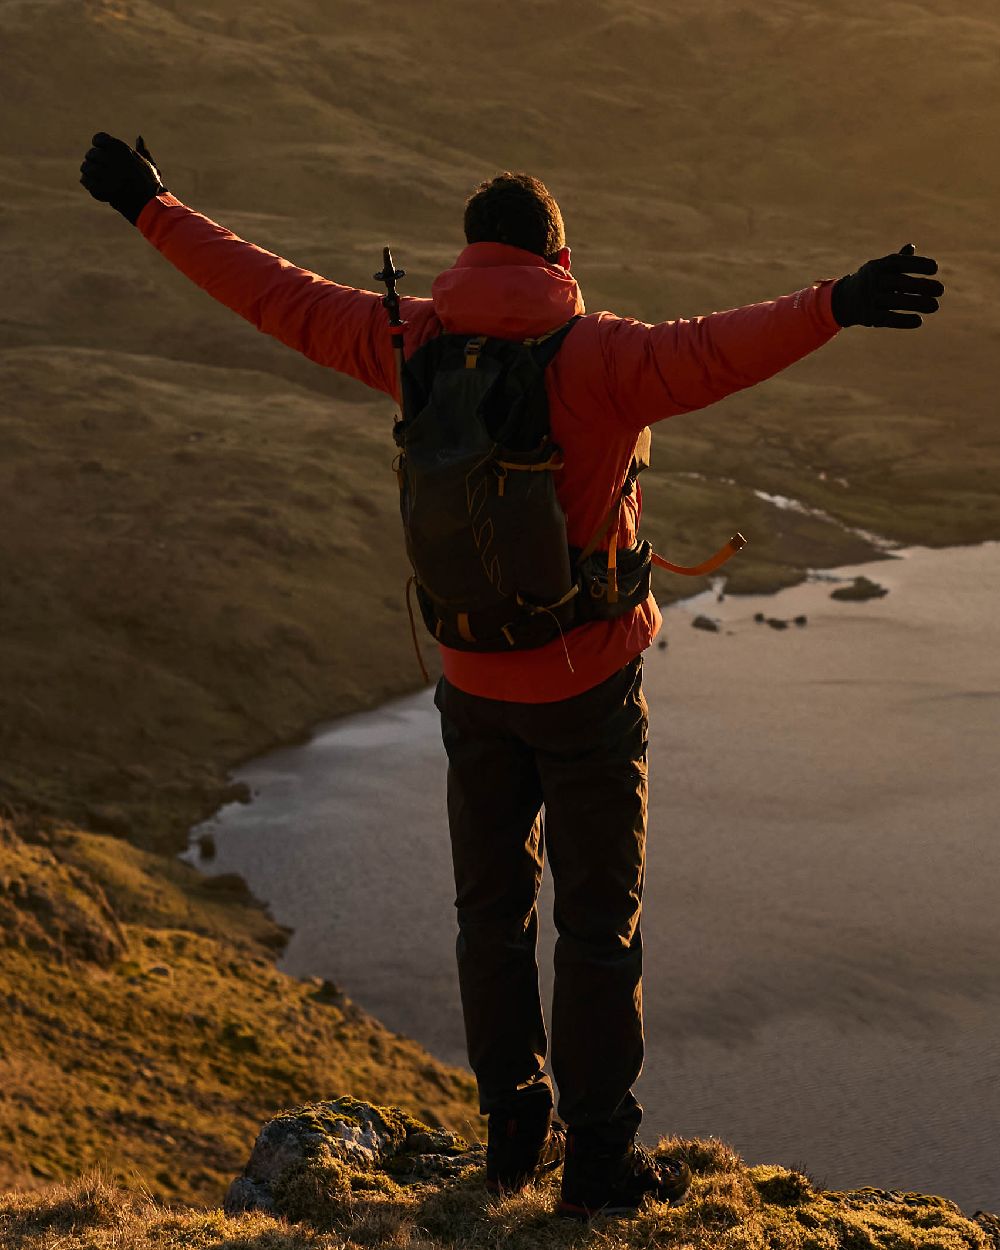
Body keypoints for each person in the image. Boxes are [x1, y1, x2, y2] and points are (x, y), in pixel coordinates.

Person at [79, 132, 944, 1219]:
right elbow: (723, 347)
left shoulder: (408, 340)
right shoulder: (601, 358)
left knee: (489, 911)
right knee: (596, 922)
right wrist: (840, 299)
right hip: (589, 687)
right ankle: (597, 1160)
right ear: (556, 254)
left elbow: (273, 292)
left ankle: (509, 1129)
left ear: (468, 253)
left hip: (473, 679)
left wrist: (152, 206)